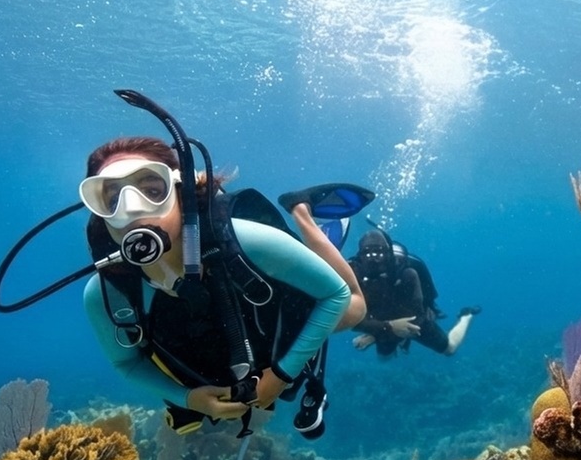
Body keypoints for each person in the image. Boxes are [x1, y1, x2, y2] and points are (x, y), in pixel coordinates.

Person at [80, 135, 370, 438]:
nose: (131, 210)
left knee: (355, 308)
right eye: (112, 199)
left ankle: (302, 213)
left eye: (153, 190)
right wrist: (189, 399)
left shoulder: (247, 240)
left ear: (182, 194)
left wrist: (283, 373)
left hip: (278, 313)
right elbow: (126, 363)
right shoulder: (105, 294)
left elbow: (335, 295)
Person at [348, 228, 480, 358]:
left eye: (379, 253)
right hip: (381, 314)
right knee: (384, 352)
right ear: (359, 256)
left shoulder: (406, 273)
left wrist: (376, 333)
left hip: (409, 311)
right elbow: (348, 318)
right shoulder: (353, 273)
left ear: (389, 255)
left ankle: (466, 316)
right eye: (367, 253)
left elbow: (416, 317)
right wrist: (387, 328)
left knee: (450, 348)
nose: (373, 260)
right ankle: (386, 336)